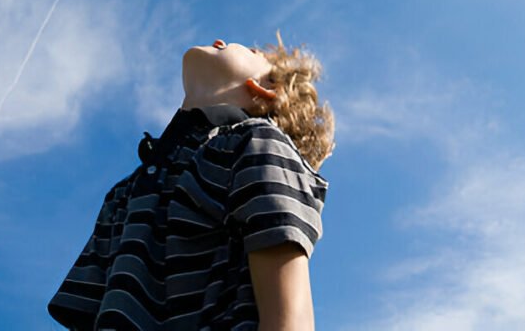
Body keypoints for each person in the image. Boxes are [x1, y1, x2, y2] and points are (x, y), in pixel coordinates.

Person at [47, 30, 335, 330]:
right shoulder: (124, 193)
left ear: (266, 88)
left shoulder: (257, 143)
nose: (222, 40)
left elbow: (290, 319)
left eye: (253, 52)